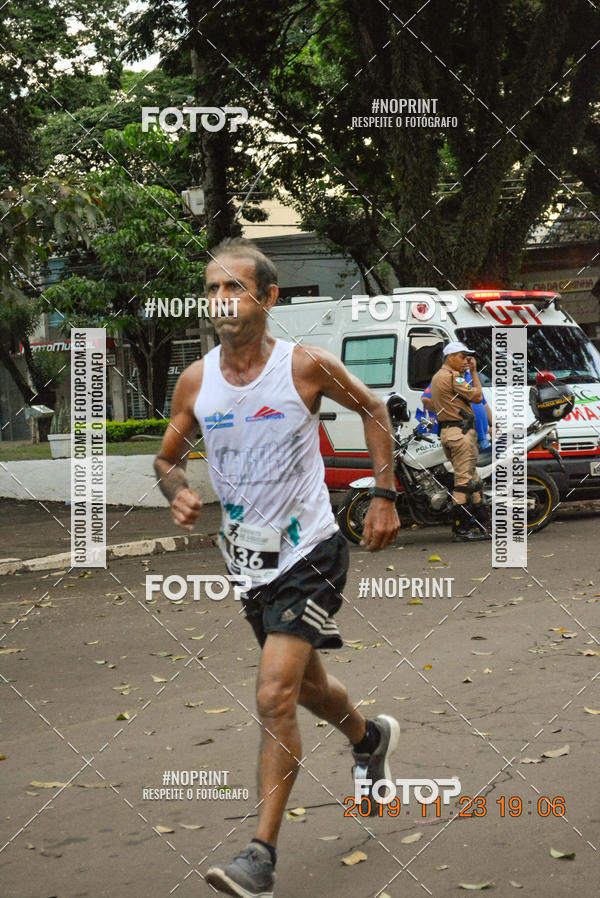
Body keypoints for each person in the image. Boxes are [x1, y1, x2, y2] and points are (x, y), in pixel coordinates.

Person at [154, 237, 401, 898]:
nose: (220, 300)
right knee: (309, 691)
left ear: (269, 297)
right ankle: (368, 736)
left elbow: (375, 410)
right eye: (210, 289)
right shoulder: (197, 380)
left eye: (234, 287)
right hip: (249, 561)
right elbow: (167, 456)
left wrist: (383, 494)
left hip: (312, 552)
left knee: (272, 694)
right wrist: (176, 487)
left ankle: (259, 856)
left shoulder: (305, 367)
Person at [429, 342, 491, 541]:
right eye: (463, 356)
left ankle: (482, 524)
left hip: (450, 433)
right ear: (450, 357)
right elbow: (477, 396)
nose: (466, 361)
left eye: (468, 357)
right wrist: (473, 373)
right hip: (460, 434)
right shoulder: (453, 377)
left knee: (474, 481)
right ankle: (461, 530)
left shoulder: (437, 377)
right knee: (464, 483)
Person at [420, 365, 493, 450]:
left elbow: (483, 403)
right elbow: (425, 399)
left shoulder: (467, 378)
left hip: (481, 437)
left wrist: (493, 424)